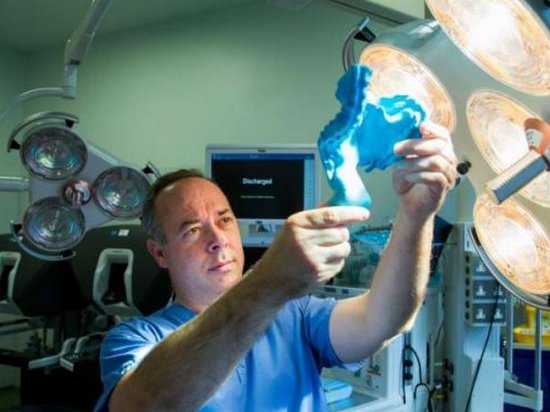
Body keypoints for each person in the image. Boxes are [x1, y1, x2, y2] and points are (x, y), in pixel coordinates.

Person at [94, 121, 457, 412]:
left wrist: (416, 216)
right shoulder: (135, 339)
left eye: (224, 220)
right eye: (192, 230)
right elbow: (147, 403)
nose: (218, 239)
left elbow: (382, 320)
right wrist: (270, 281)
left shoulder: (295, 315)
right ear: (159, 253)